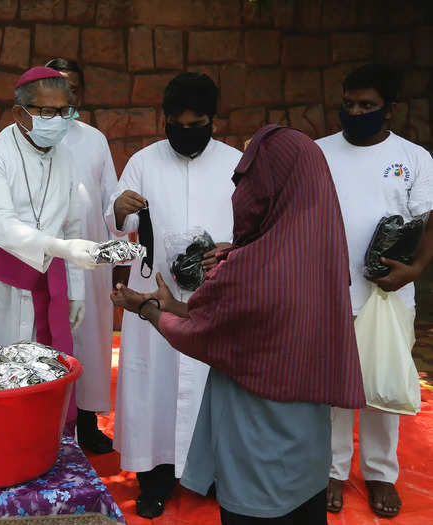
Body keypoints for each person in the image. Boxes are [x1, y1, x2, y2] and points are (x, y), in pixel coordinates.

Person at [112, 125, 366, 525]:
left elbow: (200, 333)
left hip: (259, 450)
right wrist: (181, 301)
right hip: (309, 450)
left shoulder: (252, 268)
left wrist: (146, 308)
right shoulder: (324, 253)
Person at [104, 72, 242, 517]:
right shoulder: (144, 161)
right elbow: (120, 220)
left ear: (212, 121)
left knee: (213, 386)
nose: (187, 132)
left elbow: (254, 224)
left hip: (216, 294)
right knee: (153, 386)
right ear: (165, 121)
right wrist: (118, 209)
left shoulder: (236, 164)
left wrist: (227, 252)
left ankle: (216, 473)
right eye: (177, 125)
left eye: (196, 123)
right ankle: (154, 476)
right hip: (154, 292)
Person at [0, 67, 100, 422]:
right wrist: (62, 248)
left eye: (64, 111)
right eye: (47, 111)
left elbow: (72, 223)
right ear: (19, 113)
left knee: (33, 379)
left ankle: (28, 451)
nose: (57, 120)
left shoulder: (66, 157)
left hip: (43, 282)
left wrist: (76, 292)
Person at [317, 64, 433, 518]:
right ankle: (332, 469)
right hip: (328, 289)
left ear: (390, 111)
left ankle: (381, 473)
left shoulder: (416, 158)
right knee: (333, 386)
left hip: (389, 292)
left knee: (382, 382)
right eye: (348, 104)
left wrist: (416, 269)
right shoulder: (317, 152)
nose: (356, 112)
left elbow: (426, 221)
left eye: (367, 106)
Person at [46, 58, 118, 454]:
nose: (66, 94)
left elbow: (110, 201)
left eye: (73, 87)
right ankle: (47, 424)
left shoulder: (94, 139)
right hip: (44, 259)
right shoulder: (27, 135)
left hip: (88, 261)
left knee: (88, 340)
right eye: (58, 85)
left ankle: (87, 423)